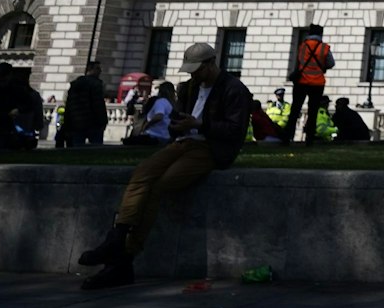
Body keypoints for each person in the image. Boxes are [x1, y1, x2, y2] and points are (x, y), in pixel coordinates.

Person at [78, 41, 253, 289]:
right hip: (182, 143)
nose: (193, 74)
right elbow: (174, 119)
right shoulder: (189, 87)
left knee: (161, 185)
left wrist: (198, 125)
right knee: (141, 174)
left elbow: (235, 131)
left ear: (211, 64)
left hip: (210, 149)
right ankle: (116, 238)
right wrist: (178, 125)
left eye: (197, 69)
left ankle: (124, 259)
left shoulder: (234, 89)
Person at [285, 27, 333, 144]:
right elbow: (331, 63)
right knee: (313, 111)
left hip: (301, 82)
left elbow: (299, 60)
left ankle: (288, 136)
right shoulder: (324, 47)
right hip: (317, 83)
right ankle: (309, 138)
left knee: (295, 109)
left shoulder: (302, 46)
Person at [63, 61, 108, 147]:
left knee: (77, 148)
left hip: (76, 122)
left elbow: (69, 106)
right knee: (96, 148)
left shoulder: (75, 85)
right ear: (90, 70)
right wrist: (103, 121)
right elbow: (99, 105)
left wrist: (67, 123)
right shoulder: (96, 84)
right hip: (93, 122)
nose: (100, 71)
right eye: (97, 68)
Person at [123, 82, 176, 147]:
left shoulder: (161, 102)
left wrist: (147, 125)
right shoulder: (170, 103)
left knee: (128, 142)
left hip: (155, 134)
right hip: (165, 135)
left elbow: (159, 116)